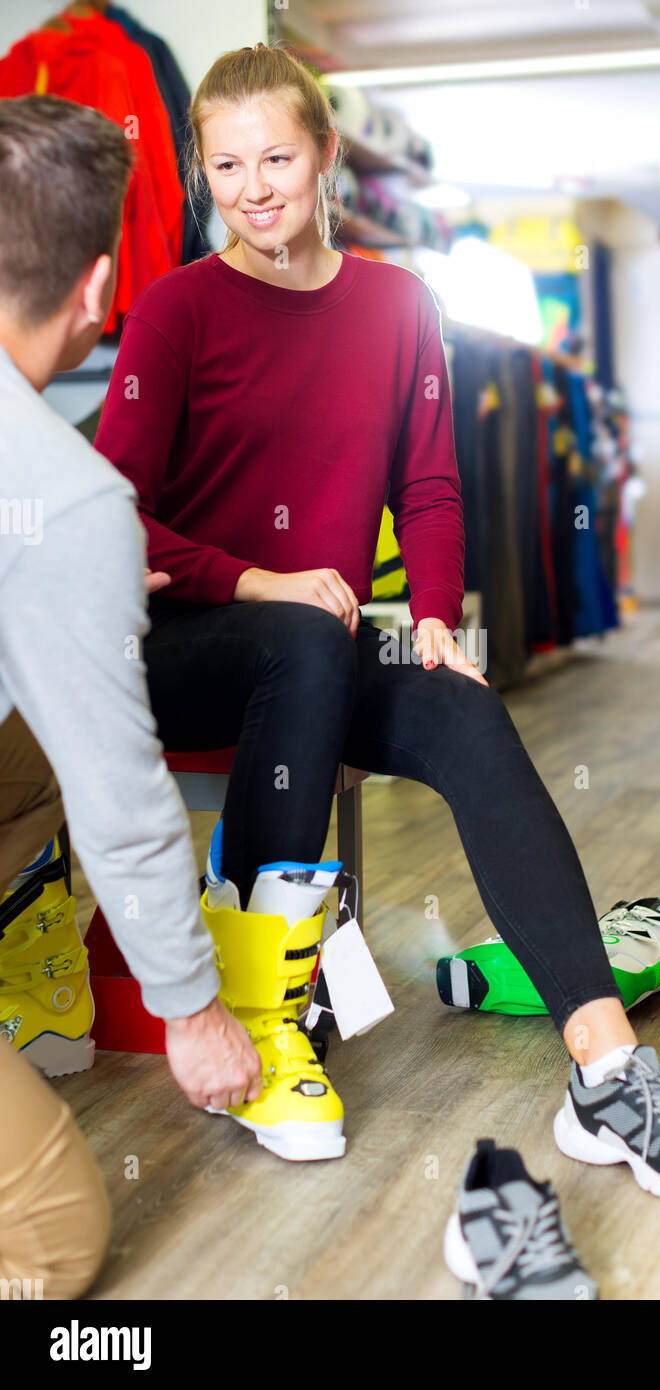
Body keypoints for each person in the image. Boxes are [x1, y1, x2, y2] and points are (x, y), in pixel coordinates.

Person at [94, 42, 660, 1201]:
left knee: (456, 707)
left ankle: (604, 1063)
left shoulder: (399, 305)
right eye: (227, 164)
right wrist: (258, 580)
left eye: (278, 158)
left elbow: (431, 487)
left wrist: (438, 620)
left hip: (320, 650)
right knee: (305, 634)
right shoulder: (172, 311)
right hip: (186, 647)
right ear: (199, 173)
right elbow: (114, 520)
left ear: (327, 156)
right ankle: (265, 1018)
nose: (253, 188)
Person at [0, 94, 262, 1297]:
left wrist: (83, 590)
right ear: (104, 286)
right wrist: (194, 1012)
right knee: (50, 1239)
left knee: (28, 759)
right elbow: (121, 789)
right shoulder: (63, 493)